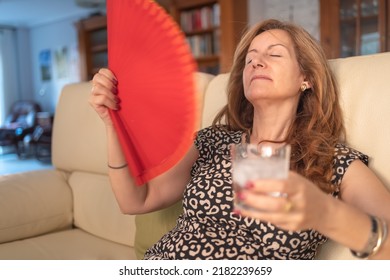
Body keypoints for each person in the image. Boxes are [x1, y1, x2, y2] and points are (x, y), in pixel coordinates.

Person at [89, 19, 390, 260]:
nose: (256, 63)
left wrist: (326, 213)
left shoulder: (332, 161)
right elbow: (135, 200)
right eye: (250, 59)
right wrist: (111, 122)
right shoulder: (213, 142)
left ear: (306, 78)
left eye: (273, 54)